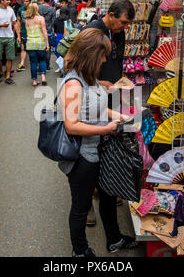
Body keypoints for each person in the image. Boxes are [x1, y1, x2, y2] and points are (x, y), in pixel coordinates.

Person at [58, 28, 139, 257]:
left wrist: (120, 117)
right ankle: (80, 251)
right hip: (83, 158)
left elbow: (99, 108)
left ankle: (114, 239)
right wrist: (105, 128)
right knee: (81, 207)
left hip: (100, 150)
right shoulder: (74, 84)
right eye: (102, 55)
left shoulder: (89, 77)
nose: (105, 60)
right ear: (91, 54)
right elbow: (71, 125)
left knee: (108, 196)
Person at [81, 0, 135, 226]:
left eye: (127, 24)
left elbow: (116, 61)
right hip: (92, 92)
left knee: (108, 141)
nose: (125, 28)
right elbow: (79, 67)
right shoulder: (92, 32)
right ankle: (85, 205)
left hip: (112, 92)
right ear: (111, 15)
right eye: (123, 22)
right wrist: (97, 82)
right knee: (89, 146)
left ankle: (103, 188)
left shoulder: (119, 32)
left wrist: (120, 83)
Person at [25, 3, 49, 86]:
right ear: (36, 9)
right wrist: (47, 44)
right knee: (42, 60)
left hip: (30, 43)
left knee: (33, 62)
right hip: (40, 42)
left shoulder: (27, 20)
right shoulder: (41, 18)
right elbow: (44, 31)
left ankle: (34, 81)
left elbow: (27, 31)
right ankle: (43, 77)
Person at [38, 0, 56, 71]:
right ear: (49, 1)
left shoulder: (37, 8)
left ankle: (40, 66)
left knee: (39, 49)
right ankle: (47, 65)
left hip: (39, 32)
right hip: (48, 31)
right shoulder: (52, 9)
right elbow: (53, 21)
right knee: (47, 49)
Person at [16, 0, 32, 72]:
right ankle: (22, 64)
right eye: (24, 1)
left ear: (30, 2)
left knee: (32, 48)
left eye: (27, 1)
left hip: (33, 32)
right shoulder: (20, 10)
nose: (25, 3)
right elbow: (18, 21)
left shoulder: (33, 9)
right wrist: (18, 33)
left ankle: (35, 63)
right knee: (23, 48)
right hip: (23, 31)